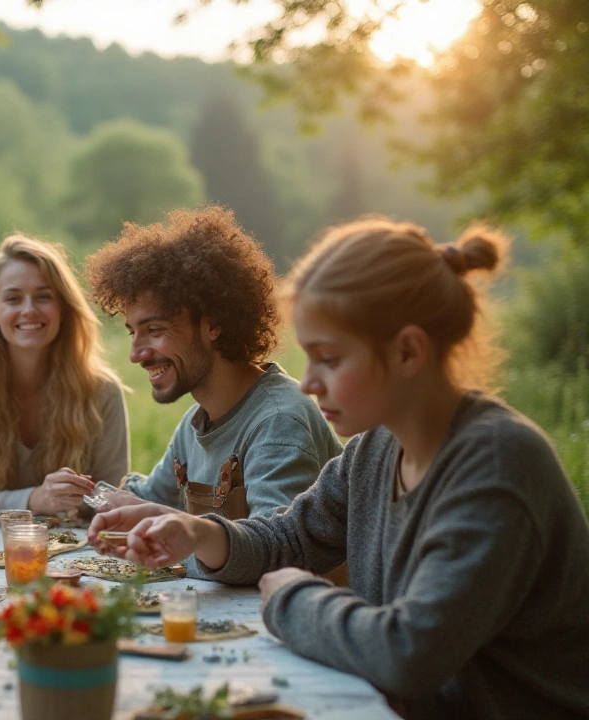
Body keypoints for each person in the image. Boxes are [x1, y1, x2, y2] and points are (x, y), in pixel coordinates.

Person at [97, 218, 589, 719]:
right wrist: (198, 532)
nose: (307, 383)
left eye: (328, 359)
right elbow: (289, 537)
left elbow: (408, 653)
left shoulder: (497, 467)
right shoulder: (375, 449)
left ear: (408, 351)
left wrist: (294, 598)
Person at [83, 207, 341, 524]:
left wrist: (177, 528)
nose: (136, 354)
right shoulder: (195, 424)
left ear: (213, 325)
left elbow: (276, 551)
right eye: (132, 333)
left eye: (154, 330)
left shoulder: (279, 421)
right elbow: (146, 500)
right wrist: (85, 493)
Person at [0, 234, 129, 520]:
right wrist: (34, 499)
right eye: (13, 298)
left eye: (44, 296)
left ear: (63, 309)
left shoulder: (103, 391)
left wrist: (58, 499)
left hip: (77, 554)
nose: (29, 310)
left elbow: (111, 497)